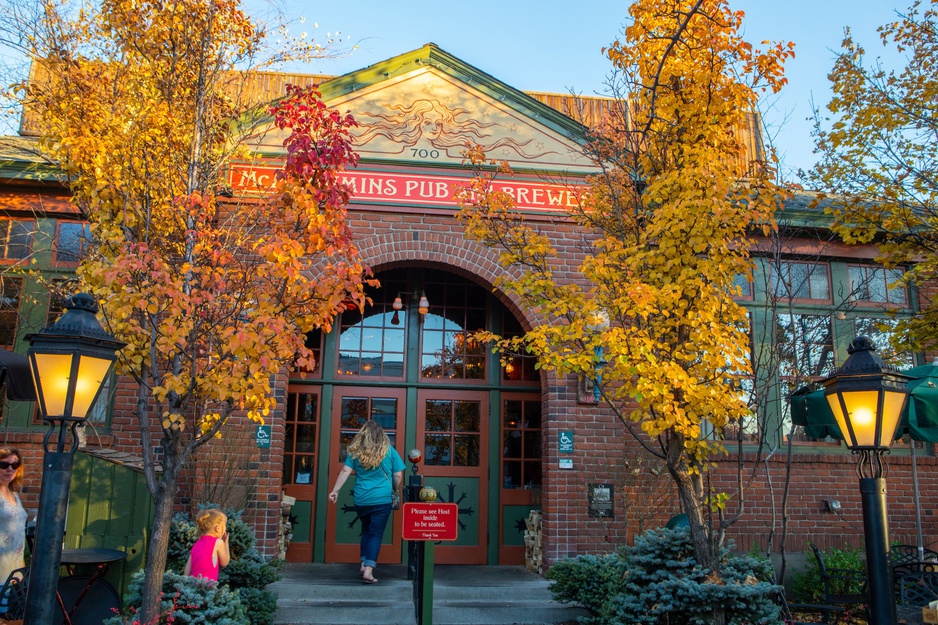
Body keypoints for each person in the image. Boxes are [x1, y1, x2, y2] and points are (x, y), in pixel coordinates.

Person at [328, 421, 404, 584]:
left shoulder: (356, 452)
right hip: (382, 499)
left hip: (361, 499)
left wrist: (335, 490)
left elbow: (345, 471)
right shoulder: (389, 451)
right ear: (382, 436)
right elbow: (398, 475)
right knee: (376, 534)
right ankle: (368, 571)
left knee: (367, 531)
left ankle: (363, 563)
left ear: (363, 435)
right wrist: (394, 488)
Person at [0, 447, 26, 586]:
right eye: (4, 465)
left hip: (14, 571)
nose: (10, 469)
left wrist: (21, 567)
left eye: (15, 465)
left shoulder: (14, 496)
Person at [184, 508, 230, 582]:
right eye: (224, 526)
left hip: (193, 586)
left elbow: (187, 571)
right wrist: (226, 543)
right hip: (208, 588)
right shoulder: (218, 542)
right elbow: (224, 562)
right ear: (218, 528)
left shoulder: (197, 544)